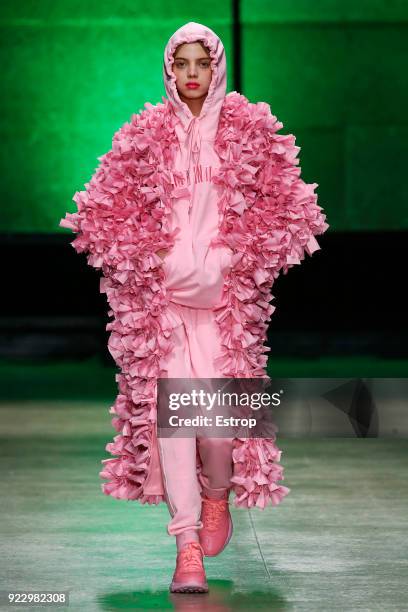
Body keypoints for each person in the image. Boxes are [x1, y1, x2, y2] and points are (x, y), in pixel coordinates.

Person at [59, 21, 329, 595]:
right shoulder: (143, 134)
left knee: (219, 428)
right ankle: (186, 547)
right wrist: (156, 262)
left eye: (199, 64)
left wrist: (230, 260)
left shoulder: (253, 131)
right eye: (179, 64)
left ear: (216, 66)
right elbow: (96, 217)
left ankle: (215, 496)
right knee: (172, 423)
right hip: (161, 308)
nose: (189, 75)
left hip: (228, 306)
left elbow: (295, 213)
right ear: (167, 68)